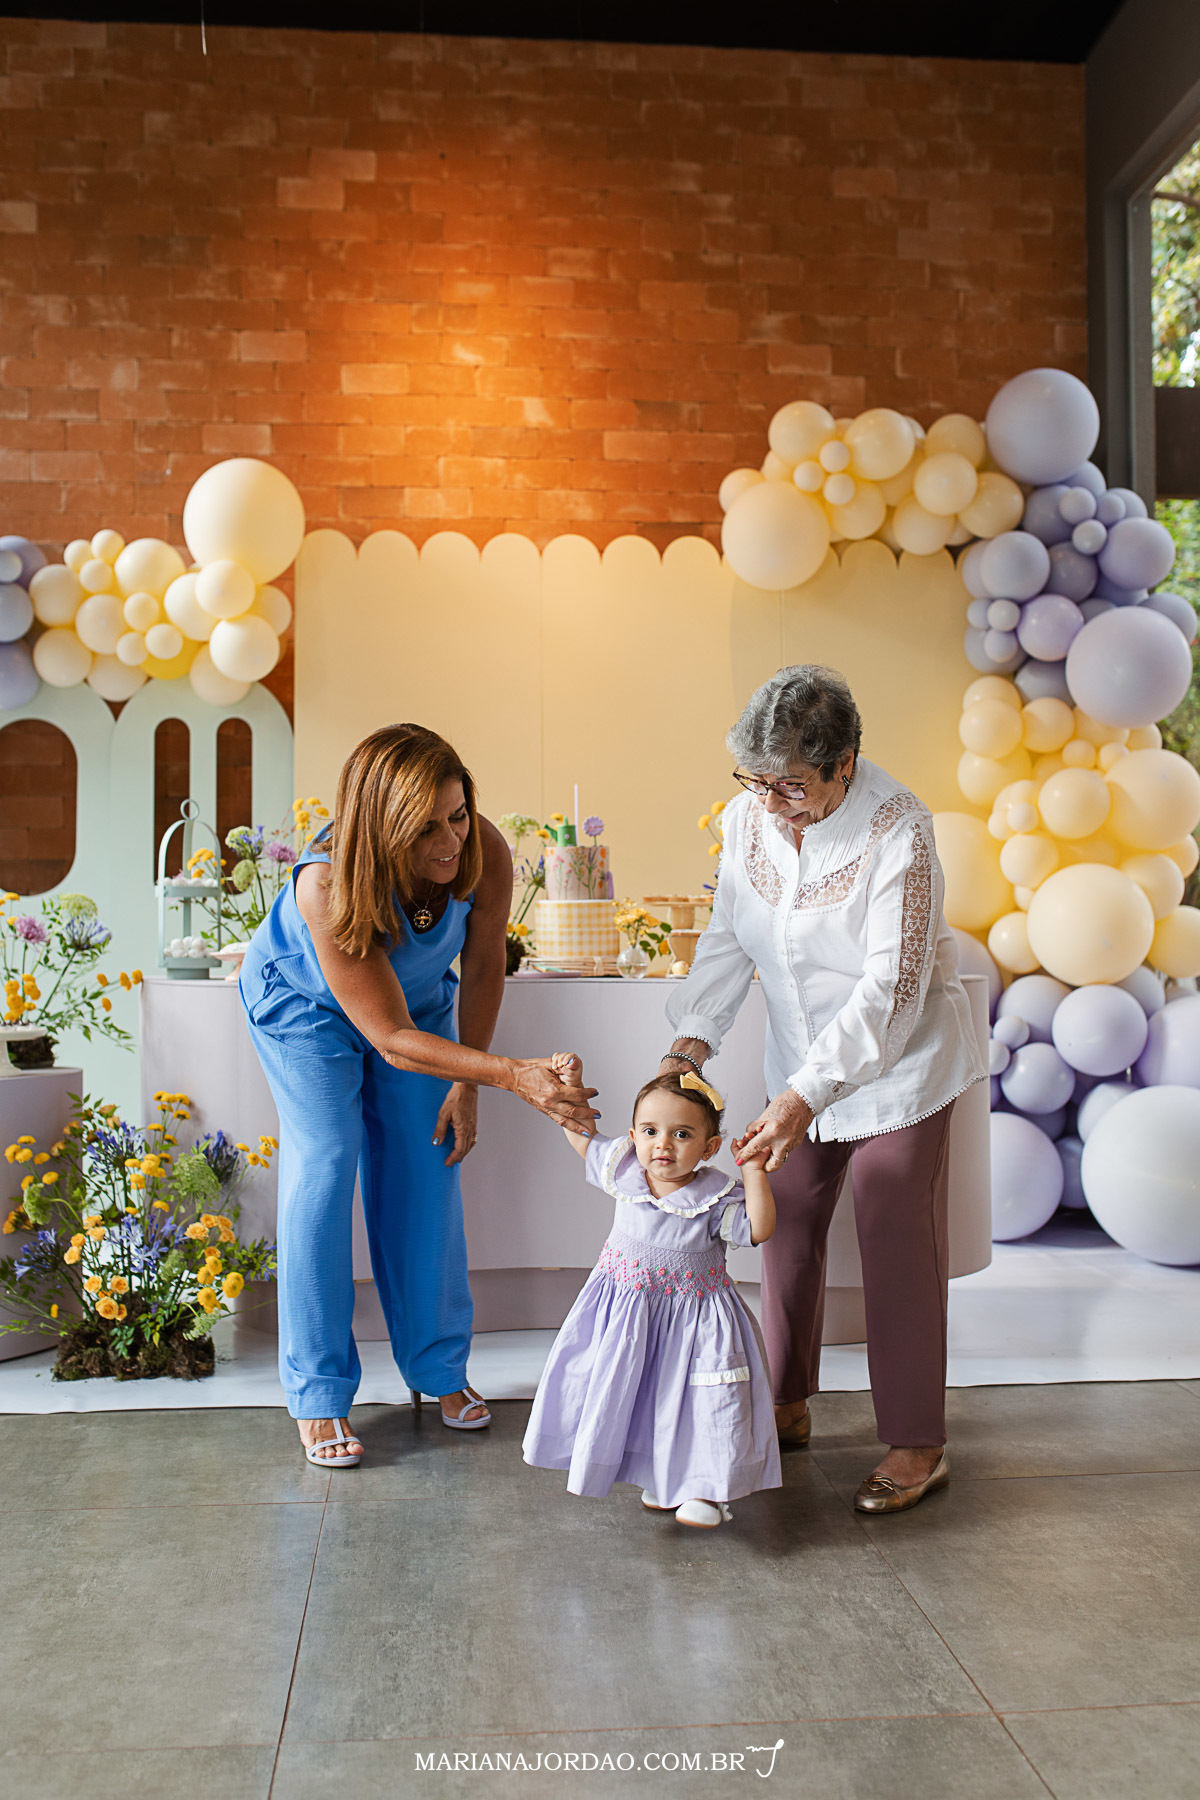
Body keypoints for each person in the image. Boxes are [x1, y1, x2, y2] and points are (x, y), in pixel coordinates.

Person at [662, 665, 986, 1514]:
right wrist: (690, 1043)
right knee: (786, 1218)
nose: (773, 803)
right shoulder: (748, 819)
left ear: (845, 762)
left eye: (793, 785)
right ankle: (785, 1401)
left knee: (890, 1220)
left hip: (903, 1063)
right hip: (798, 1063)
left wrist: (803, 1099)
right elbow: (728, 939)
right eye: (758, 782)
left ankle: (917, 1441)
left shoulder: (900, 831)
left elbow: (891, 991)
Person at [239, 724, 597, 1469]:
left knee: (429, 1163)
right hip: (306, 1009)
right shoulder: (325, 884)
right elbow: (390, 1037)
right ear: (379, 829)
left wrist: (468, 1083)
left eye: (456, 815)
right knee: (326, 1165)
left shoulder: (484, 850)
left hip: (417, 1006)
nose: (450, 841)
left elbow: (486, 967)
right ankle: (318, 1392)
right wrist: (511, 1075)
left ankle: (438, 1368)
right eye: (425, 828)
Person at [522, 1061, 781, 1528]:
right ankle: (660, 1479)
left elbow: (758, 1229)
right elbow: (580, 1133)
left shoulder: (713, 1199)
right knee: (644, 1399)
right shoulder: (623, 1172)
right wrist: (571, 1088)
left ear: (710, 1147)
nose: (663, 1144)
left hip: (694, 1324)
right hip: (630, 1319)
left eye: (682, 1134)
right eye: (650, 1131)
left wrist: (755, 1172)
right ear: (633, 1136)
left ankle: (706, 1491)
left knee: (700, 1403)